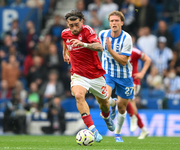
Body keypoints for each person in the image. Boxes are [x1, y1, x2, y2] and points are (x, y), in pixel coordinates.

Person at [61, 10, 114, 142]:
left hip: (95, 75)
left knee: (105, 104)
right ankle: (93, 130)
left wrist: (83, 44)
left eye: (76, 25)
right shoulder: (65, 33)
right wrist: (65, 53)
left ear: (82, 22)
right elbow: (65, 41)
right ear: (67, 24)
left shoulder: (88, 31)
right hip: (78, 74)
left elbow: (99, 47)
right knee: (78, 95)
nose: (73, 28)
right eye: (71, 25)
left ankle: (106, 117)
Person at [99, 11, 134, 142]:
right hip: (108, 73)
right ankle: (111, 104)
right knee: (104, 98)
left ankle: (117, 134)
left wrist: (110, 50)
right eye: (112, 21)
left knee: (122, 107)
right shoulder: (102, 34)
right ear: (109, 23)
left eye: (116, 21)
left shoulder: (127, 38)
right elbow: (97, 47)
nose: (114, 23)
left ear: (121, 23)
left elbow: (124, 61)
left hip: (124, 76)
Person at [127, 35, 151, 139]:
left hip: (134, 82)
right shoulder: (117, 52)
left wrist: (142, 73)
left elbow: (148, 60)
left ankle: (133, 118)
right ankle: (143, 129)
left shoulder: (134, 51)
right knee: (126, 105)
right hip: (122, 82)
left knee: (128, 101)